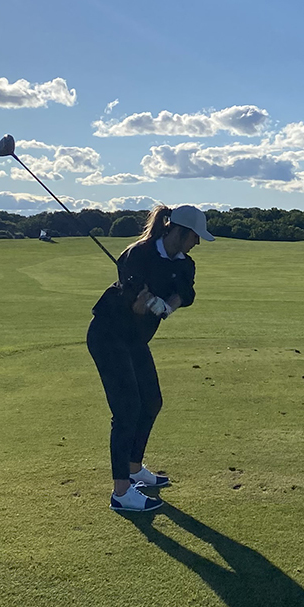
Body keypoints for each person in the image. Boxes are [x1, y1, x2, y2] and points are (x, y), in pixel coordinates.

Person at [87, 203, 214, 511]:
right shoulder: (138, 254)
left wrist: (167, 305)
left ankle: (134, 468)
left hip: (134, 339)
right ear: (180, 232)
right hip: (108, 335)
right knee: (127, 408)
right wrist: (142, 301)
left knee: (152, 401)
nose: (197, 242)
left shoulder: (185, 264)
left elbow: (185, 293)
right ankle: (121, 492)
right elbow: (132, 301)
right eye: (195, 236)